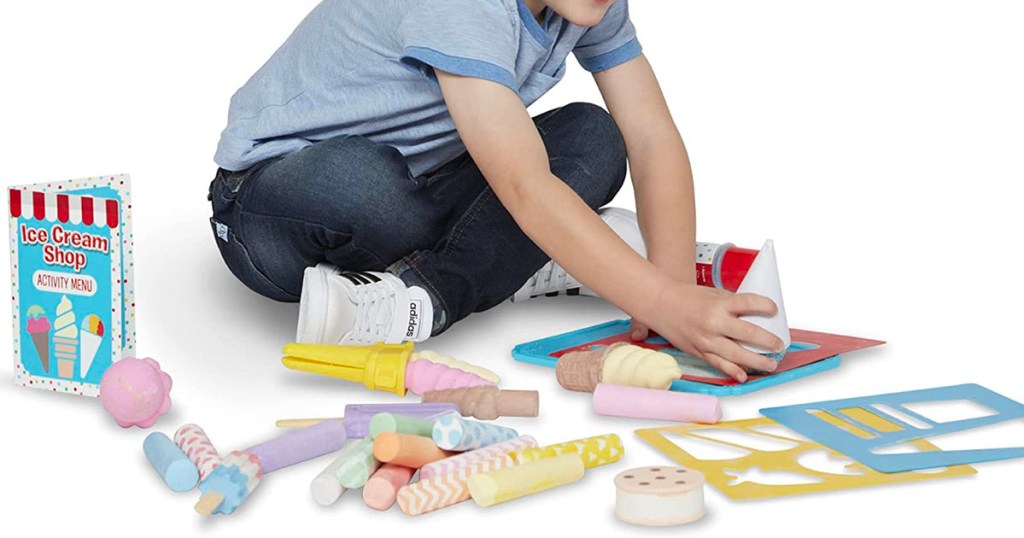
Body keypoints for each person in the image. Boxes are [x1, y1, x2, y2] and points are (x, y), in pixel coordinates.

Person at [208, 0, 784, 382]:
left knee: (592, 137)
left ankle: (506, 257)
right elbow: (523, 184)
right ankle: (438, 293)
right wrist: (658, 299)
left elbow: (651, 136)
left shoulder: (589, 2)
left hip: (426, 184)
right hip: (272, 204)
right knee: (366, 186)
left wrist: (671, 291)